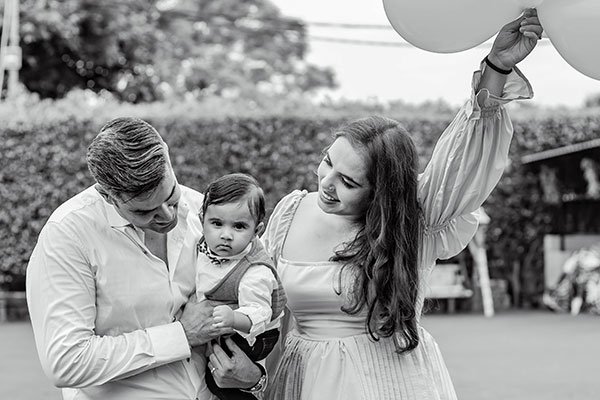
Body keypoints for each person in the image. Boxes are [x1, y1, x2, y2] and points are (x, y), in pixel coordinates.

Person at [262, 10, 544, 400]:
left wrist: (496, 65)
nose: (326, 184)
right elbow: (268, 306)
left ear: (381, 193)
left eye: (348, 182)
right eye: (328, 162)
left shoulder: (414, 220)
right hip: (301, 378)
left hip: (385, 382)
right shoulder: (290, 212)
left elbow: (462, 160)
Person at [26, 118, 264, 400]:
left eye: (171, 196)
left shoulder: (209, 214)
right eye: (144, 212)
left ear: (167, 154)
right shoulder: (68, 235)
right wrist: (181, 335)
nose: (167, 216)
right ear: (107, 194)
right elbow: (66, 361)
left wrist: (255, 377)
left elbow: (262, 296)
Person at [195, 173, 286, 400]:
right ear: (202, 219)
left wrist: (233, 318)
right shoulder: (204, 246)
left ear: (257, 231)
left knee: (222, 378)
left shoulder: (255, 271)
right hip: (225, 321)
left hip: (258, 334)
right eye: (216, 223)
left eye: (239, 226)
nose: (225, 235)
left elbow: (260, 312)